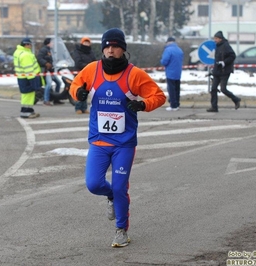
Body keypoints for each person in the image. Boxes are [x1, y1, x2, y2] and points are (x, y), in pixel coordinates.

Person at [70, 28, 166, 248]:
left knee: (121, 186)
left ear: (123, 49)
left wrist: (143, 104)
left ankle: (121, 229)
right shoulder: (92, 70)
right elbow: (75, 85)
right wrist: (78, 94)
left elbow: (159, 96)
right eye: (107, 46)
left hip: (124, 143)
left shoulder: (134, 74)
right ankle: (111, 197)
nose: (110, 50)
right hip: (99, 141)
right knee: (93, 184)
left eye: (115, 46)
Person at [207, 31, 241, 112]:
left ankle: (236, 99)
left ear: (220, 39)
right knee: (213, 89)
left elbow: (233, 55)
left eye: (216, 38)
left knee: (223, 89)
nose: (215, 40)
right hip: (217, 72)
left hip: (224, 72)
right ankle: (214, 107)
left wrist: (224, 62)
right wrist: (213, 70)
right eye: (214, 38)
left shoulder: (226, 45)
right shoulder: (217, 46)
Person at [13, 38, 42, 119]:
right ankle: (26, 111)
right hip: (28, 77)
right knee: (28, 95)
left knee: (26, 94)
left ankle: (29, 110)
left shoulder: (18, 52)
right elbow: (28, 68)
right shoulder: (26, 55)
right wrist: (32, 80)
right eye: (30, 44)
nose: (31, 46)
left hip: (22, 77)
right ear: (26, 45)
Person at [72, 36, 97, 114]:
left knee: (86, 90)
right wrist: (88, 67)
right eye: (85, 42)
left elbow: (94, 61)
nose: (86, 44)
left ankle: (84, 107)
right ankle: (78, 107)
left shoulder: (91, 52)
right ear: (82, 43)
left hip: (88, 74)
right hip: (79, 73)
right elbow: (78, 62)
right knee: (79, 90)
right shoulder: (77, 51)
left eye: (88, 42)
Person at [37, 38, 63, 106]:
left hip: (52, 70)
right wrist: (46, 63)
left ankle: (56, 99)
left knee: (59, 83)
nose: (53, 44)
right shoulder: (43, 50)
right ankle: (46, 100)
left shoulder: (51, 50)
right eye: (52, 42)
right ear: (48, 43)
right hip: (46, 70)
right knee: (48, 84)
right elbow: (39, 58)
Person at [160, 36, 184, 111]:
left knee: (171, 89)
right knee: (177, 89)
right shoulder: (179, 50)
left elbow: (164, 61)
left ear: (168, 42)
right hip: (178, 72)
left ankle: (173, 105)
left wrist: (162, 62)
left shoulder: (168, 50)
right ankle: (177, 103)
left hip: (170, 72)